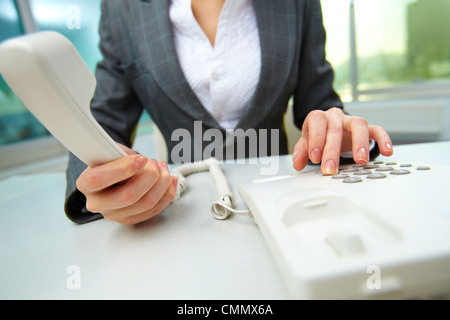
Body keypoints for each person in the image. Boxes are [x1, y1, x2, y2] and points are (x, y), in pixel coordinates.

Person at [65, 0, 393, 225]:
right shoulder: (122, 8)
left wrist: (337, 134)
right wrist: (101, 184)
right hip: (176, 215)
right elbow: (103, 122)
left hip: (284, 203)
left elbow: (320, 102)